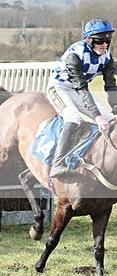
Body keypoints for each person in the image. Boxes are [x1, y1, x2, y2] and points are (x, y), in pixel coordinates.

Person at [47, 17, 117, 177]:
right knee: (73, 118)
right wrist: (96, 116)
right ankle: (57, 163)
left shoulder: (107, 56)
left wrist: (115, 109)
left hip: (79, 89)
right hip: (59, 87)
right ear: (88, 39)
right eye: (100, 41)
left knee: (109, 118)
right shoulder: (75, 54)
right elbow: (80, 86)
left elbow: (111, 84)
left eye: (107, 40)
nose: (104, 45)